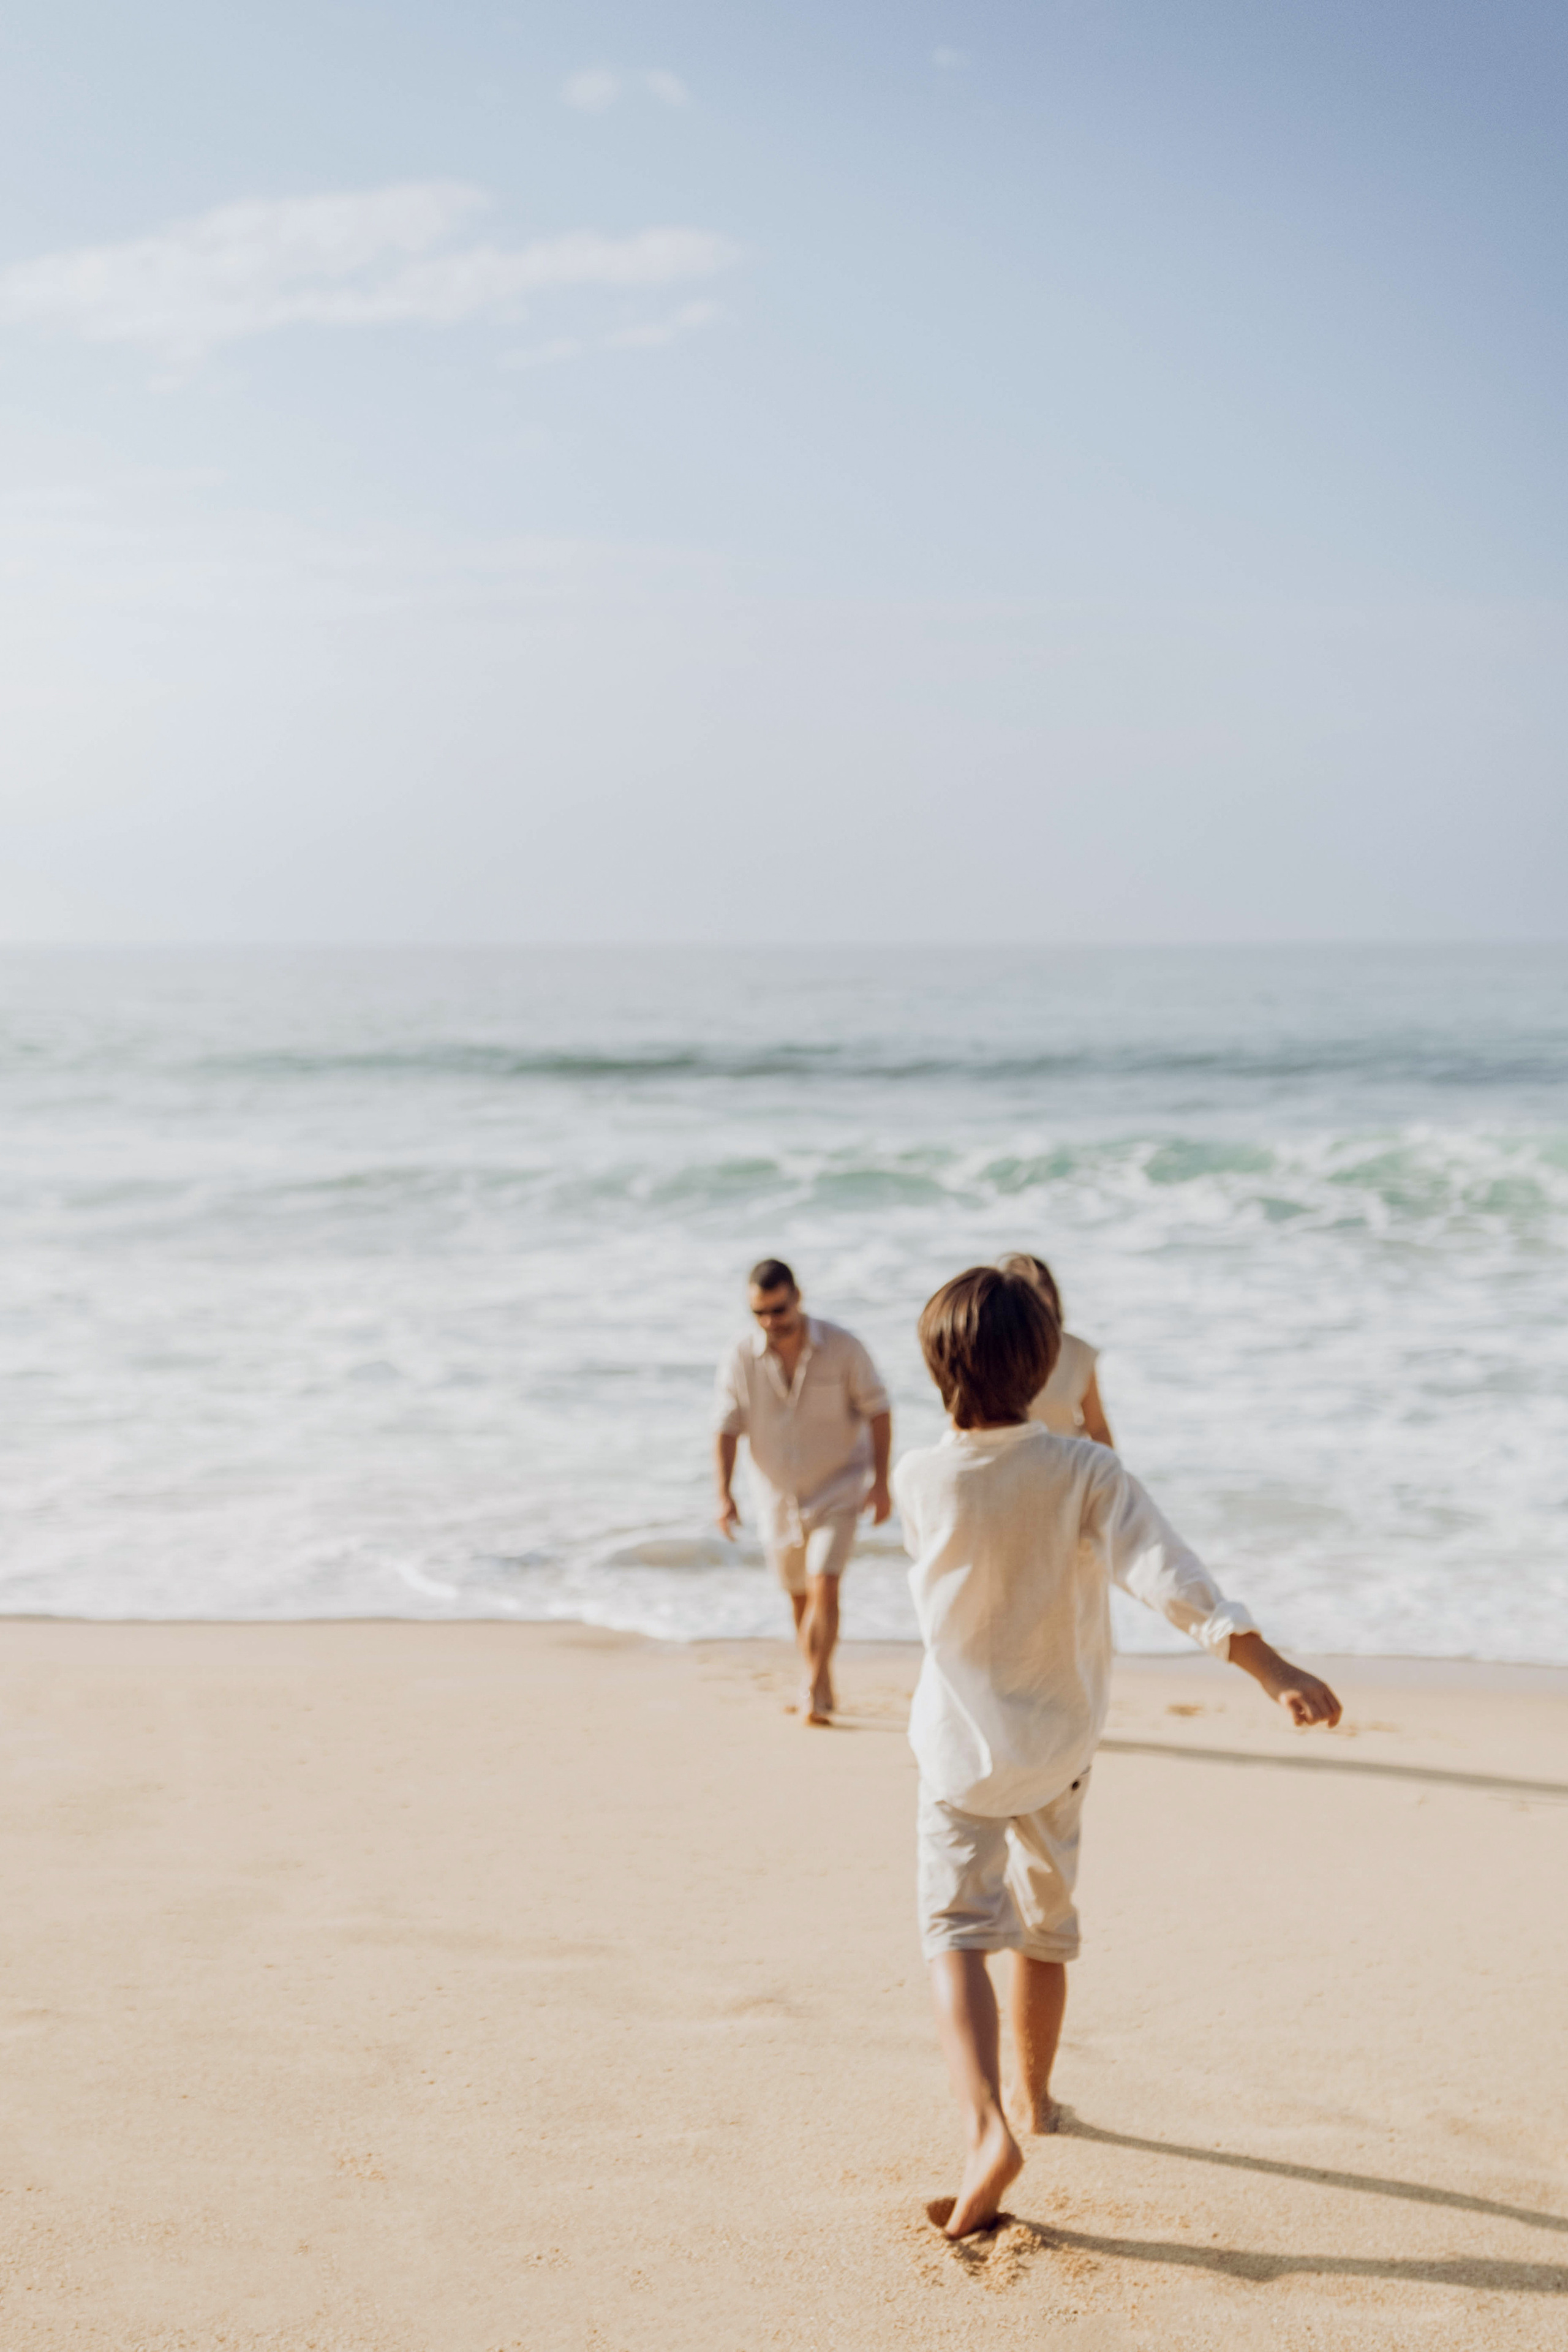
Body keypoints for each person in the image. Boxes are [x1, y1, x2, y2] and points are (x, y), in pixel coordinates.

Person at [894, 1265, 1340, 2239]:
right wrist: (1264, 1665)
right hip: (1058, 1743)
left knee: (956, 1931)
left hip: (959, 1748)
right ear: (1047, 1363)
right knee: (1048, 1922)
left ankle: (987, 2126)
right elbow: (1167, 1574)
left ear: (935, 1366)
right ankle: (1040, 2099)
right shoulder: (1087, 1471)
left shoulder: (917, 1476)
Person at [714, 1259, 892, 1725]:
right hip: (776, 1495)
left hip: (839, 1486)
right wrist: (724, 1494)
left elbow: (879, 1410)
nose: (772, 1322)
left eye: (779, 1309)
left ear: (799, 1297)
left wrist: (882, 1483)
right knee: (798, 1597)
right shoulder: (740, 1357)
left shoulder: (843, 1347)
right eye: (761, 1313)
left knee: (825, 1583)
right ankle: (822, 1674)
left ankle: (812, 1686)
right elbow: (726, 1427)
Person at [1000, 1252, 1114, 1445]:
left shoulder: (1078, 1352)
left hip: (1067, 1469)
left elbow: (1098, 1428)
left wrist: (1111, 1473)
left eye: (1040, 1307)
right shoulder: (989, 1355)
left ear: (1052, 1300)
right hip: (1008, 1469)